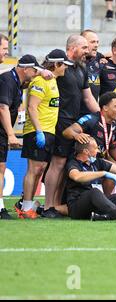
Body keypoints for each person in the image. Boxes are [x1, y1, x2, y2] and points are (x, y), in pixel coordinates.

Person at [44, 35, 100, 215]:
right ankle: (47, 206)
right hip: (60, 120)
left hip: (74, 121)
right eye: (84, 47)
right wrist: (42, 72)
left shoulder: (81, 69)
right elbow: (40, 72)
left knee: (64, 164)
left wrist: (101, 116)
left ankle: (55, 206)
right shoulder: (58, 65)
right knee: (57, 163)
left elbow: (88, 97)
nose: (87, 51)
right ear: (73, 48)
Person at [17, 50, 71, 219]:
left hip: (48, 131)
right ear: (56, 64)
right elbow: (32, 107)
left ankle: (26, 204)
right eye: (64, 66)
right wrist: (39, 130)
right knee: (34, 169)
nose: (66, 69)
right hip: (37, 130)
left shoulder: (52, 80)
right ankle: (26, 208)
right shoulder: (41, 81)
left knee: (39, 169)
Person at [66, 137, 116, 222]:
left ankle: (107, 216)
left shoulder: (97, 162)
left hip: (97, 204)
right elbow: (76, 176)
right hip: (78, 207)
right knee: (94, 192)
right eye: (95, 148)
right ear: (86, 151)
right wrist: (103, 173)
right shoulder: (73, 163)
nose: (98, 151)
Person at [0, 55, 42, 219]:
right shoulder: (8, 81)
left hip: (3, 131)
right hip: (2, 131)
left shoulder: (17, 82)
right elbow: (2, 108)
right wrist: (11, 134)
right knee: (1, 168)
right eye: (34, 70)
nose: (35, 73)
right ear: (26, 69)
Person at [63, 92, 116, 196]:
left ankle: (105, 201)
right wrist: (76, 135)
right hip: (83, 163)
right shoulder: (91, 119)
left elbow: (113, 147)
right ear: (105, 108)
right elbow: (67, 132)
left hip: (98, 162)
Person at [80, 29, 104, 117]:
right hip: (75, 115)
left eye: (97, 42)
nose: (96, 45)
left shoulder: (98, 58)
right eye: (93, 42)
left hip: (92, 113)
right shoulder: (72, 62)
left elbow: (114, 55)